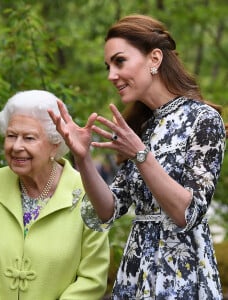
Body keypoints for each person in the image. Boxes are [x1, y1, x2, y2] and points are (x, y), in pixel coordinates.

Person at [48, 14, 227, 300]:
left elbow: (187, 214)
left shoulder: (203, 120)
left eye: (120, 61)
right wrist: (82, 159)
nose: (111, 75)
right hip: (136, 272)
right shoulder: (140, 128)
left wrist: (141, 155)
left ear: (154, 59)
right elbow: (108, 210)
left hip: (182, 275)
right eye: (108, 66)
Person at [0, 90, 110, 300]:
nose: (17, 146)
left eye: (29, 138)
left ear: (55, 144)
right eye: (11, 136)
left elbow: (92, 279)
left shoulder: (88, 192)